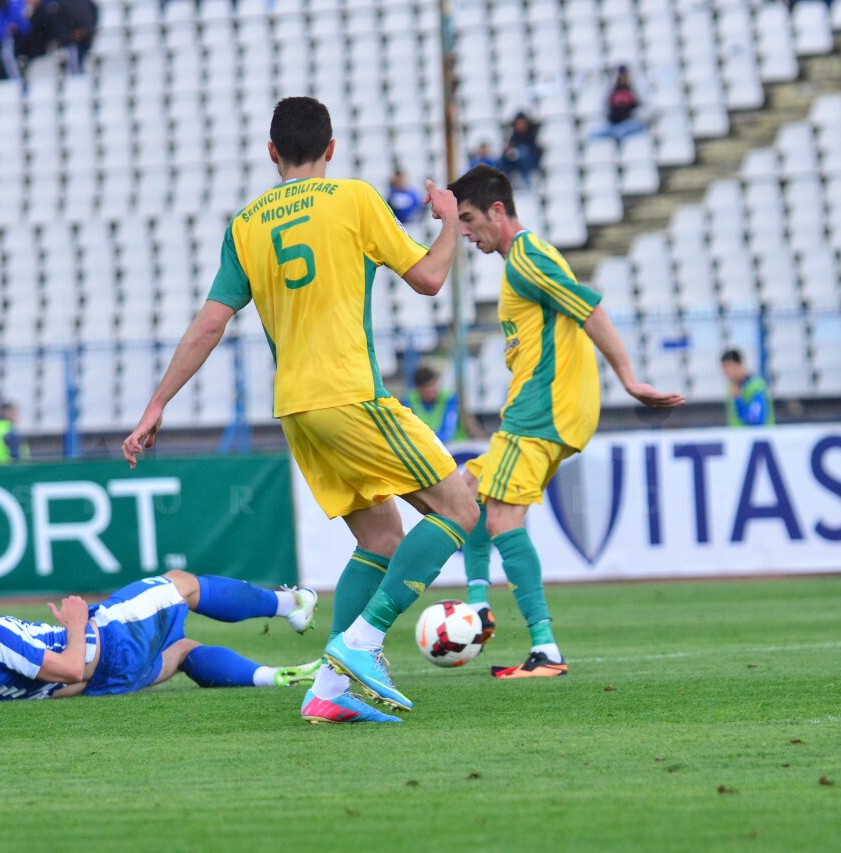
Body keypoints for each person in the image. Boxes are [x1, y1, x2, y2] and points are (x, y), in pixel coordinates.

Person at [123, 97, 483, 725]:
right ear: (332, 149)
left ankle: (330, 693)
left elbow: (211, 324)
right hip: (350, 394)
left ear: (271, 153)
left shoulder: (247, 223)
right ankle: (359, 645)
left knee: (379, 537)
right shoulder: (353, 198)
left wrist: (156, 405)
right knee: (460, 507)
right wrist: (449, 221)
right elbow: (428, 279)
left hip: (295, 409)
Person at [449, 164, 684, 678]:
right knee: (468, 490)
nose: (464, 232)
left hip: (539, 411)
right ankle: (478, 607)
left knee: (502, 518)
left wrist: (630, 379)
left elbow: (591, 311)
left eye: (468, 219)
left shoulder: (527, 258)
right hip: (552, 411)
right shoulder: (525, 259)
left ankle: (545, 648)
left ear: (497, 210)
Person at [0, 571, 321, 705]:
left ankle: (277, 677)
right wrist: (75, 626)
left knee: (183, 652)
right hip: (104, 645)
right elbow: (70, 667)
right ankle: (293, 604)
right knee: (182, 587)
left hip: (107, 684)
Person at [404, 365, 464, 443]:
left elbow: (448, 434)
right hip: (426, 448)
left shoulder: (449, 399)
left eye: (434, 384)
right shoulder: (409, 401)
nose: (432, 389)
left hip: (454, 449)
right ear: (418, 389)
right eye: (428, 386)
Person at [588, 65, 646, 143]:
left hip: (628, 123)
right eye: (620, 75)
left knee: (635, 127)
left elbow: (640, 107)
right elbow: (604, 105)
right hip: (613, 124)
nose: (622, 78)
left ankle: (617, 136)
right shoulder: (612, 89)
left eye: (624, 75)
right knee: (592, 134)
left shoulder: (633, 89)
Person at [720, 349, 775, 426]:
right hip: (739, 437)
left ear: (741, 364)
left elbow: (757, 420)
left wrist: (738, 401)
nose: (727, 370)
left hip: (758, 437)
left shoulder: (756, 386)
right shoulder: (731, 387)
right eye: (724, 367)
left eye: (730, 366)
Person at [54, 0, 98, 76]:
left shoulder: (87, 3)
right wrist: (70, 34)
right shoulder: (60, 4)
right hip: (69, 42)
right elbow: (58, 22)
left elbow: (92, 16)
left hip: (85, 40)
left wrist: (85, 30)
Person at [0, 0, 30, 83]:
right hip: (8, 40)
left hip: (21, 39)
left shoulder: (16, 4)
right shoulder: (0, 7)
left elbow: (22, 21)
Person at [500, 112, 541, 188]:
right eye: (518, 123)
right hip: (515, 161)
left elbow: (533, 151)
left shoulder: (531, 135)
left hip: (529, 161)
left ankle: (527, 181)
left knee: (523, 152)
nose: (520, 125)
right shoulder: (512, 135)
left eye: (522, 123)